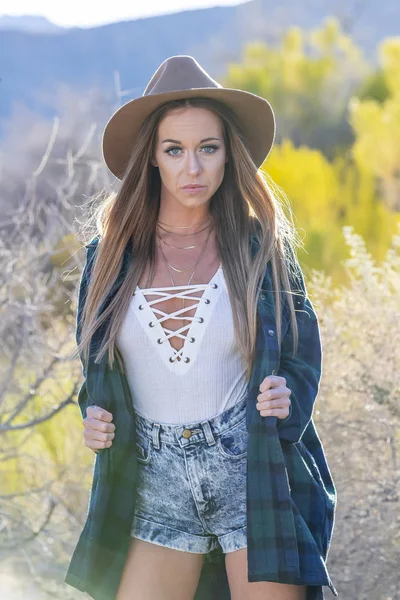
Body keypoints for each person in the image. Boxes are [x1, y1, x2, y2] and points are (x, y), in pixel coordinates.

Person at [65, 55, 338, 600]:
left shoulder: (262, 249)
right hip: (151, 478)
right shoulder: (108, 258)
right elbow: (99, 372)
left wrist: (289, 396)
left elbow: (301, 357)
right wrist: (93, 415)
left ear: (227, 156)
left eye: (207, 149)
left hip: (249, 469)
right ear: (153, 160)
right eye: (175, 151)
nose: (193, 169)